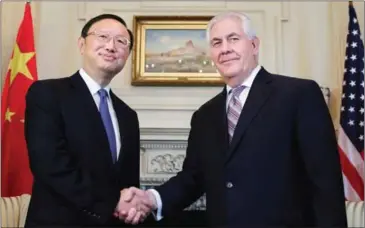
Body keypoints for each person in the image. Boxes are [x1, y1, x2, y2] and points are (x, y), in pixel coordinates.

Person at [119, 11, 348, 227]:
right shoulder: (204, 115)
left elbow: (325, 182)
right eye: (217, 43)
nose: (225, 49)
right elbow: (193, 177)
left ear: (254, 45)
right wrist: (151, 198)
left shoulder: (298, 94)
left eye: (233, 39)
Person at [24, 14, 153, 227]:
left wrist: (133, 209)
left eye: (121, 41)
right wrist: (112, 202)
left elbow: (128, 183)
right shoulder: (47, 94)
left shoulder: (128, 115)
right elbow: (50, 165)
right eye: (103, 36)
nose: (111, 46)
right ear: (82, 44)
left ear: (128, 54)